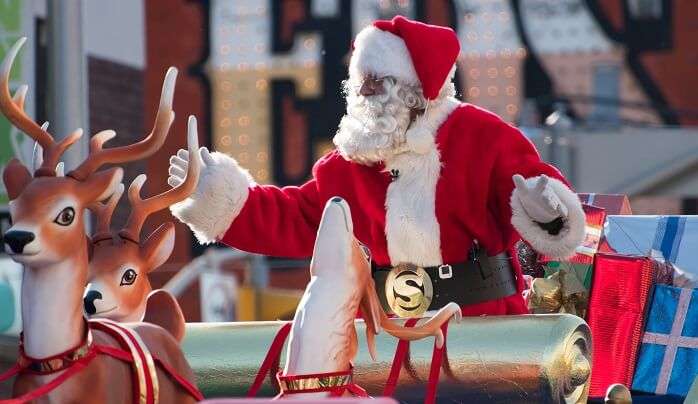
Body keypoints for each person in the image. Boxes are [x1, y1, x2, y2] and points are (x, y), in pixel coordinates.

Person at [169, 16, 585, 317]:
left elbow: (537, 196)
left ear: (416, 90)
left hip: (486, 330)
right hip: (386, 340)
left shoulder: (483, 137)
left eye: (376, 83)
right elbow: (293, 218)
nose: (364, 94)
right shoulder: (347, 165)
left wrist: (547, 212)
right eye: (359, 83)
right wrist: (212, 196)